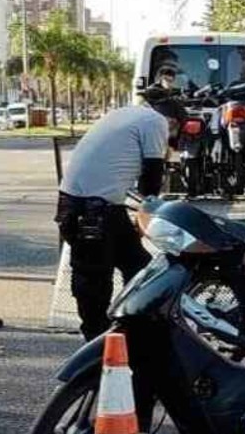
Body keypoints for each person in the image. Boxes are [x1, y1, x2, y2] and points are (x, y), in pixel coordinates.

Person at [56, 96, 184, 339]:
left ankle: (135, 324)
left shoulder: (129, 114)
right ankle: (96, 341)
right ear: (174, 122)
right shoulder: (157, 122)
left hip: (89, 205)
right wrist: (149, 213)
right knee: (95, 280)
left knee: (138, 265)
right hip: (93, 210)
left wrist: (140, 214)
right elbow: (151, 178)